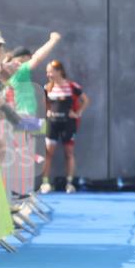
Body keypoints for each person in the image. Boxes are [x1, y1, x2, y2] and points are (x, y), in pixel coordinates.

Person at [41, 60, 89, 193]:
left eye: (51, 72)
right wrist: (47, 111)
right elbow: (44, 103)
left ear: (59, 71)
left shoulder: (72, 86)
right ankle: (45, 183)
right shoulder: (47, 88)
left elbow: (85, 100)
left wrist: (77, 112)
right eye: (47, 72)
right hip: (53, 123)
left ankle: (69, 183)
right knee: (48, 153)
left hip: (68, 124)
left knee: (69, 153)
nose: (48, 74)